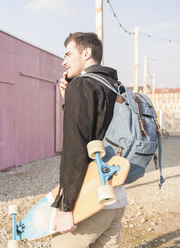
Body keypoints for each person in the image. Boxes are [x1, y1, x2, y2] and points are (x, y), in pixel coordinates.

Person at [51, 32, 128, 248]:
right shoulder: (115, 85)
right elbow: (98, 130)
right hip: (117, 198)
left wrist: (65, 208)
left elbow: (75, 148)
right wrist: (70, 100)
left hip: (93, 198)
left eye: (68, 54)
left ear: (86, 53)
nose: (63, 61)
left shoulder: (82, 85)